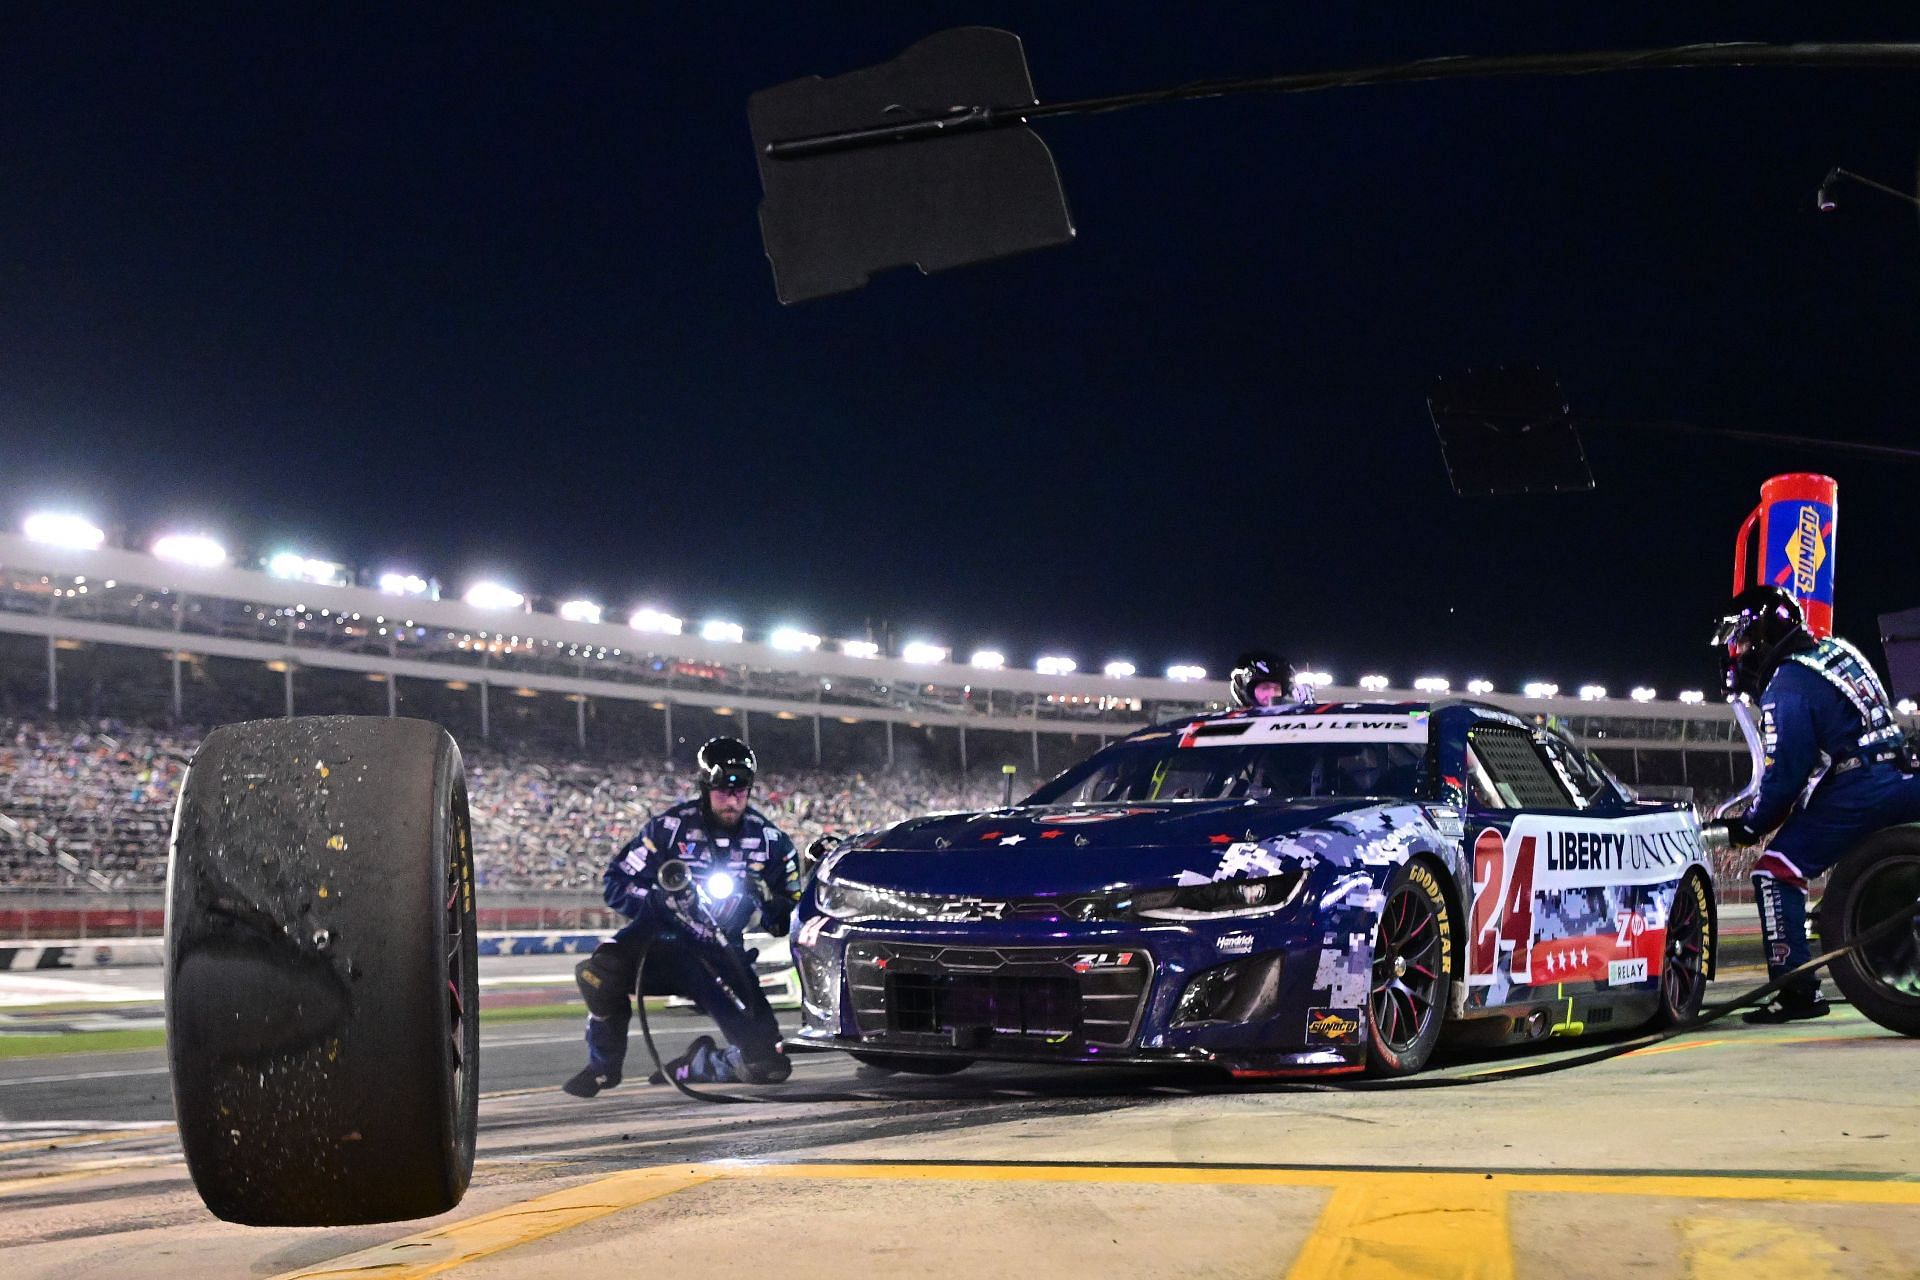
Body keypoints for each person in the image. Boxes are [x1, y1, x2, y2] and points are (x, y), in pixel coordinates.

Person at [1710, 586, 1920, 1023]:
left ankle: (1797, 992)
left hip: (1862, 784)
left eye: (1743, 639)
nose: (1738, 651)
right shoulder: (1837, 649)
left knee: (1776, 868)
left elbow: (1785, 777)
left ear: (1765, 634)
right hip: (1902, 770)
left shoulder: (1787, 685)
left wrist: (1748, 827)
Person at [563, 737, 801, 1095]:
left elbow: (785, 919)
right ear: (706, 788)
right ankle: (603, 1066)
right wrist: (660, 898)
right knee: (596, 973)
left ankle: (701, 1062)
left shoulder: (772, 843)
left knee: (766, 1066)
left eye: (741, 791)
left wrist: (767, 899)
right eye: (723, 790)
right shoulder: (668, 829)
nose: (733, 799)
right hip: (657, 943)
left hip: (721, 957)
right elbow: (616, 883)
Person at [1229, 650, 1294, 709]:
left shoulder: (1293, 717)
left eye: (1276, 689)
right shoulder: (1229, 721)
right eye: (1265, 688)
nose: (1272, 692)